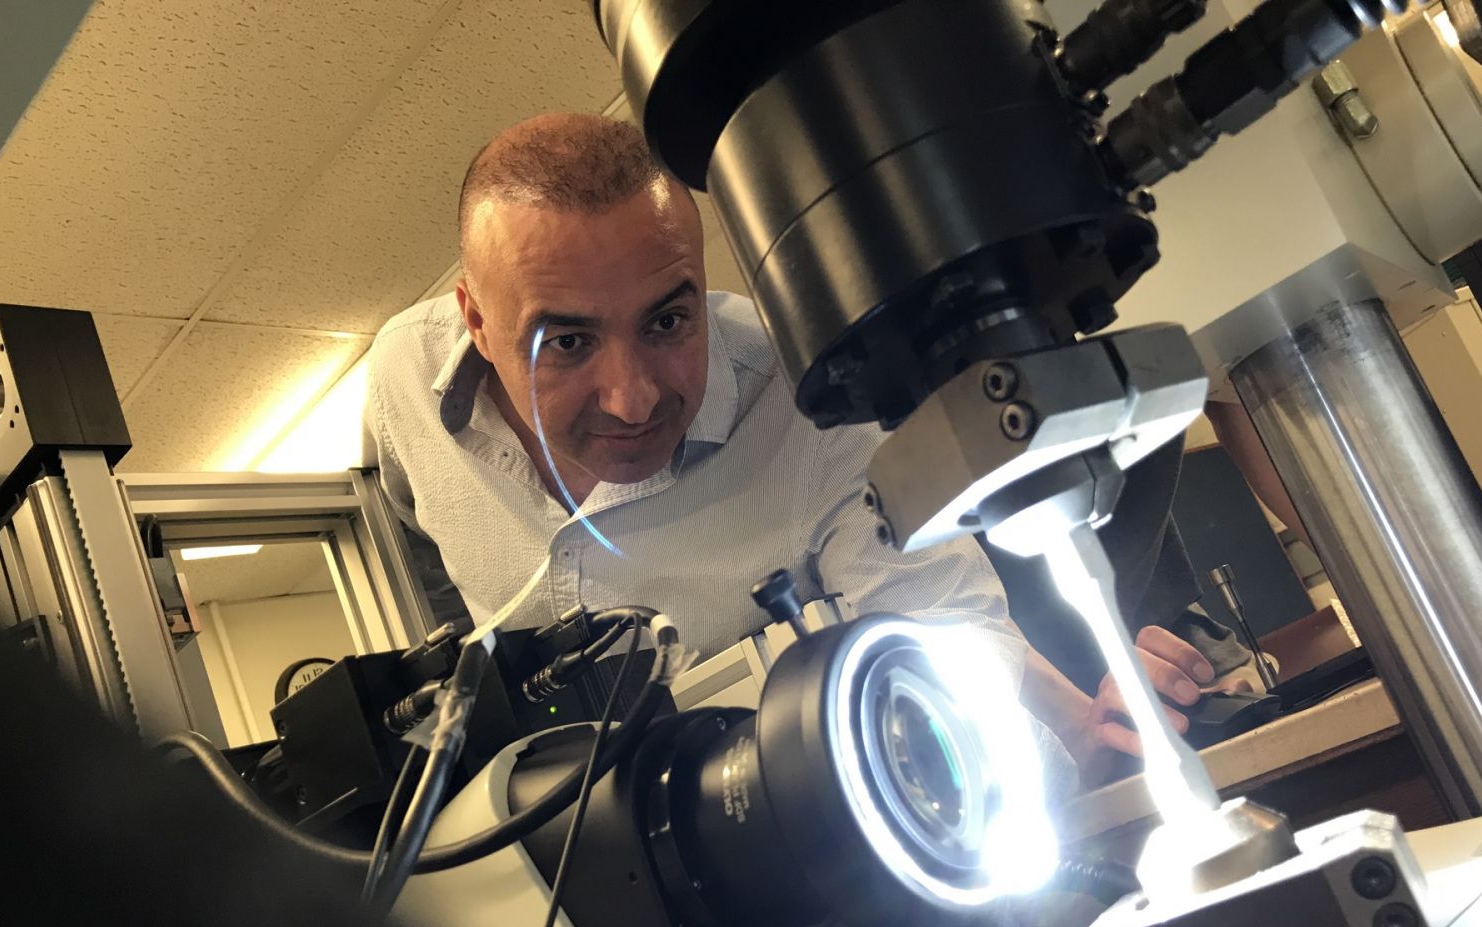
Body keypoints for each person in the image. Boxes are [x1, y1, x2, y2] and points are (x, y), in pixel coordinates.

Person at [364, 113, 1222, 788]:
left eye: (669, 321)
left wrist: (1020, 743)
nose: (634, 398)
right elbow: (414, 541)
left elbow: (955, 625)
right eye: (568, 343)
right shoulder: (403, 381)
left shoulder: (816, 407)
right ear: (476, 320)